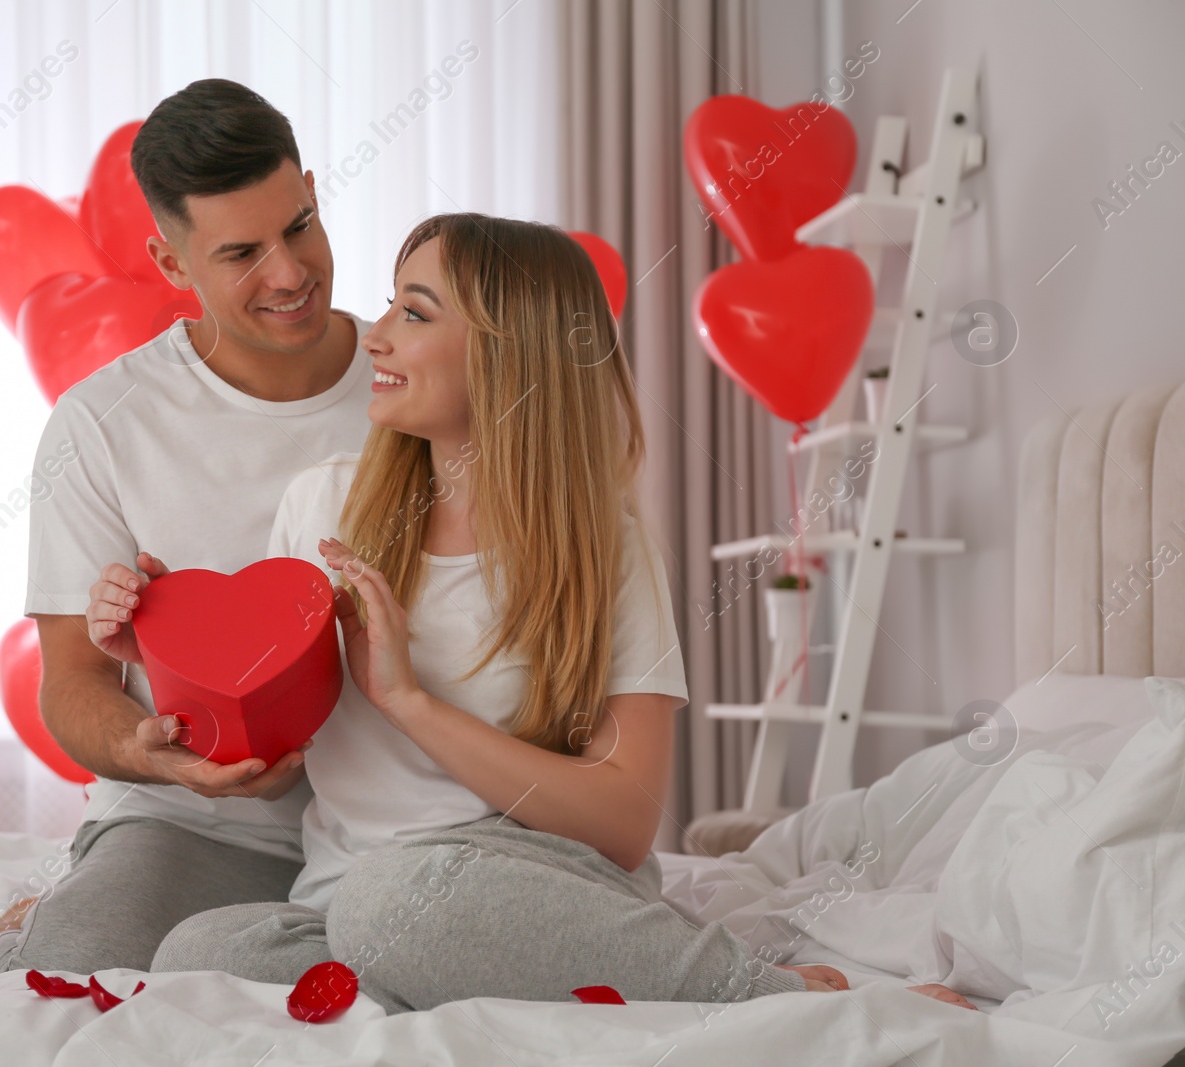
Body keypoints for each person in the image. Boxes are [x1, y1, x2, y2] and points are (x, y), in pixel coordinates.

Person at [130, 213, 979, 1014]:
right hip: (344, 904)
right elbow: (270, 747)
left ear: (509, 356)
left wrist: (410, 702)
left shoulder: (603, 548)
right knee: (197, 949)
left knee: (396, 902)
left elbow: (623, 823)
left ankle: (764, 990)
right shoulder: (323, 505)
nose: (376, 332)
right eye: (390, 301)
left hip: (512, 881)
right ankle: (473, 973)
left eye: (414, 312)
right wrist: (161, 632)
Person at [0, 78, 374, 974]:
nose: (290, 273)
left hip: (396, 821)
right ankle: (67, 900)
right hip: (194, 823)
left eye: (299, 225)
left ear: (313, 189)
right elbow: (73, 681)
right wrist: (155, 757)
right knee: (67, 980)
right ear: (169, 263)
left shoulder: (420, 385)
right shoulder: (102, 425)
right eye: (242, 252)